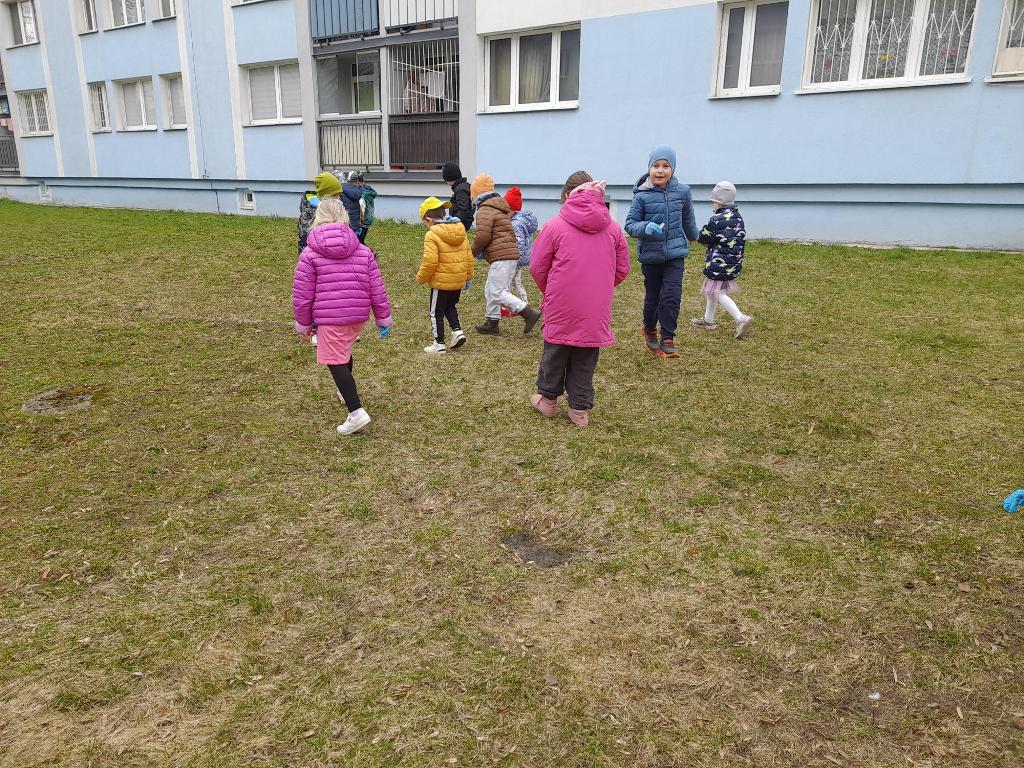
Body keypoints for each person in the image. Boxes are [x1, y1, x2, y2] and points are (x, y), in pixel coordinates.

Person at [529, 173, 630, 427]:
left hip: (560, 302)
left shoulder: (554, 226)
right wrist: (599, 288)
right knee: (586, 357)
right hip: (595, 308)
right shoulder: (613, 229)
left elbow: (537, 266)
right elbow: (622, 269)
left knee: (555, 351)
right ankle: (579, 410)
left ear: (567, 196)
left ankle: (548, 400)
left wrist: (550, 289)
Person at [292, 199, 392, 436]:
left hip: (330, 317)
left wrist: (303, 324)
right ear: (344, 216)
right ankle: (344, 391)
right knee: (343, 351)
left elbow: (303, 294)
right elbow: (377, 288)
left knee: (335, 360)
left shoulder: (309, 253)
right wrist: (382, 317)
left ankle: (356, 412)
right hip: (356, 315)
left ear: (318, 218)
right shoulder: (363, 250)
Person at [624, 145, 699, 359]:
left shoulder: (683, 192)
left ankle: (668, 337)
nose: (660, 170)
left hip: (675, 254)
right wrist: (645, 227)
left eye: (666, 166)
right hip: (651, 255)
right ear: (649, 168)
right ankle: (649, 328)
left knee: (672, 296)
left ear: (672, 169)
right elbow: (630, 224)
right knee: (654, 296)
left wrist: (695, 236)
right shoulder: (641, 195)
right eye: (655, 165)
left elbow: (688, 220)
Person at [469, 173, 542, 335]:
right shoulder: (499, 207)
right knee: (491, 288)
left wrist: (471, 251)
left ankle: (528, 312)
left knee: (497, 292)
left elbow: (483, 236)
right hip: (508, 254)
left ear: (476, 194)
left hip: (502, 256)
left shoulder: (485, 210)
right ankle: (492, 321)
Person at [691, 181, 754, 339]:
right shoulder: (738, 217)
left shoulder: (717, 219)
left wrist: (698, 235)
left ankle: (741, 318)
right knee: (711, 292)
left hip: (718, 262)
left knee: (718, 293)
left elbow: (705, 238)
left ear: (718, 202)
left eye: (714, 201)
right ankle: (708, 320)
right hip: (732, 262)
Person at [416, 196, 473, 354]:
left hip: (441, 281)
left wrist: (421, 278)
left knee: (436, 312)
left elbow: (430, 262)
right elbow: (468, 256)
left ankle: (439, 343)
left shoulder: (431, 235)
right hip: (458, 279)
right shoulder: (460, 229)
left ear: (429, 219)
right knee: (450, 306)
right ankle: (457, 332)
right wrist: (468, 276)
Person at [500, 186, 538, 318]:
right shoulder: (522, 221)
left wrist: (515, 257)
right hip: (519, 258)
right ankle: (523, 304)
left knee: (508, 282)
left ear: (513, 209)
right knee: (516, 281)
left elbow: (519, 244)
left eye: (506, 211)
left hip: (515, 258)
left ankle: (509, 308)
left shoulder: (515, 224)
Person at [297, 171, 342, 254]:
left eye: (339, 194)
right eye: (335, 195)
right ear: (326, 196)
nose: (339, 198)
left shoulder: (335, 210)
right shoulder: (310, 214)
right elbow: (306, 242)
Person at [342, 172, 373, 244]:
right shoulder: (361, 192)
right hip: (357, 223)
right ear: (358, 181)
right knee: (357, 241)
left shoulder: (341, 190)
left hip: (346, 222)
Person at [442, 162, 474, 233]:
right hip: (462, 221)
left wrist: (455, 221)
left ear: (450, 178)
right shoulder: (462, 186)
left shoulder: (460, 190)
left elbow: (463, 209)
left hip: (461, 222)